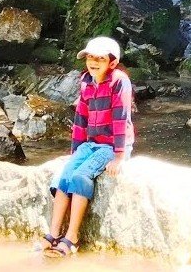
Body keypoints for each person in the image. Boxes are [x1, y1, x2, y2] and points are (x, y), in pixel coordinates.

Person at [43, 35, 135, 258]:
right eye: (90, 58)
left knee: (80, 177)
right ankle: (53, 233)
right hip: (89, 144)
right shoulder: (86, 80)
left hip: (110, 146)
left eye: (100, 59)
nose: (93, 62)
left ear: (112, 63)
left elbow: (121, 118)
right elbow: (81, 117)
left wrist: (119, 156)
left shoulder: (119, 81)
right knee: (63, 178)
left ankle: (72, 237)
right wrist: (75, 152)